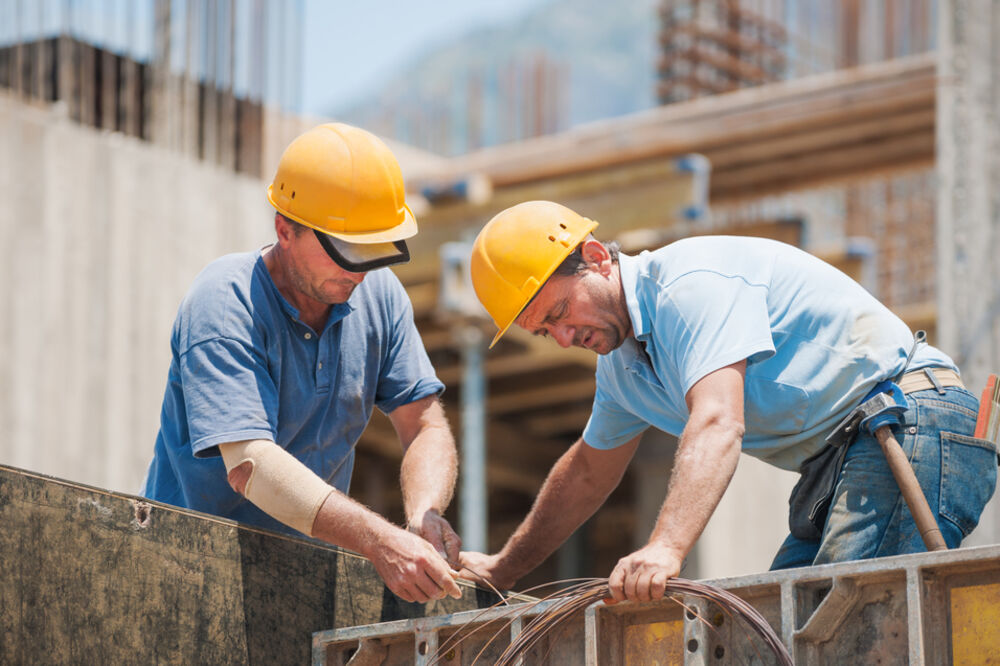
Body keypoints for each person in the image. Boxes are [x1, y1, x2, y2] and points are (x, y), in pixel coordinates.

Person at [459, 200, 998, 604]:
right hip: (850, 457)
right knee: (778, 631)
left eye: (559, 312)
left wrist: (666, 548)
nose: (562, 337)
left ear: (597, 259)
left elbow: (718, 422)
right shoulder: (623, 370)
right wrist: (504, 570)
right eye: (543, 332)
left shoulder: (689, 286)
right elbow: (586, 475)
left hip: (912, 421)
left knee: (844, 625)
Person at [141, 123, 463, 604]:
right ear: (284, 230)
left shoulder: (380, 297)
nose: (358, 270)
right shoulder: (225, 301)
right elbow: (251, 465)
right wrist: (379, 540)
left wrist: (424, 515)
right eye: (344, 250)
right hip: (186, 573)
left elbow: (424, 426)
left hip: (303, 581)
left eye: (372, 250)